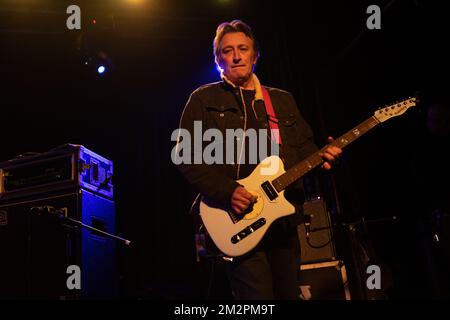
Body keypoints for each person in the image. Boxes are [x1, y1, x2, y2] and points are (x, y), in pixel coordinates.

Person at [174, 20, 342, 299]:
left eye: (243, 48)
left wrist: (325, 160)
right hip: (238, 220)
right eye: (228, 51)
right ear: (218, 59)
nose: (236, 56)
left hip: (283, 224)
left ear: (255, 55)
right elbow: (184, 155)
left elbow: (305, 153)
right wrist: (228, 192)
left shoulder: (282, 100)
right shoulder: (203, 98)